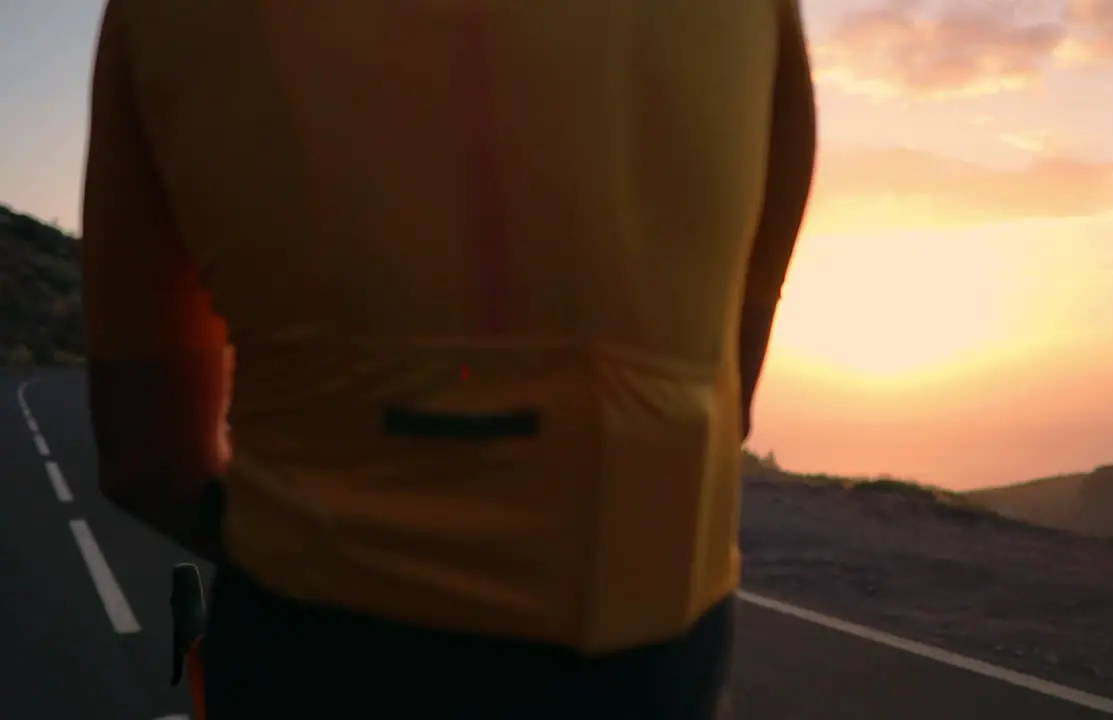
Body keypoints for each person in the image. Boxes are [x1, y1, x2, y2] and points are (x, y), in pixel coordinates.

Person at [80, 0, 815, 717]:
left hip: (312, 647)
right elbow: (730, 401)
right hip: (650, 654)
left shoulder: (155, 17)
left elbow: (149, 461)